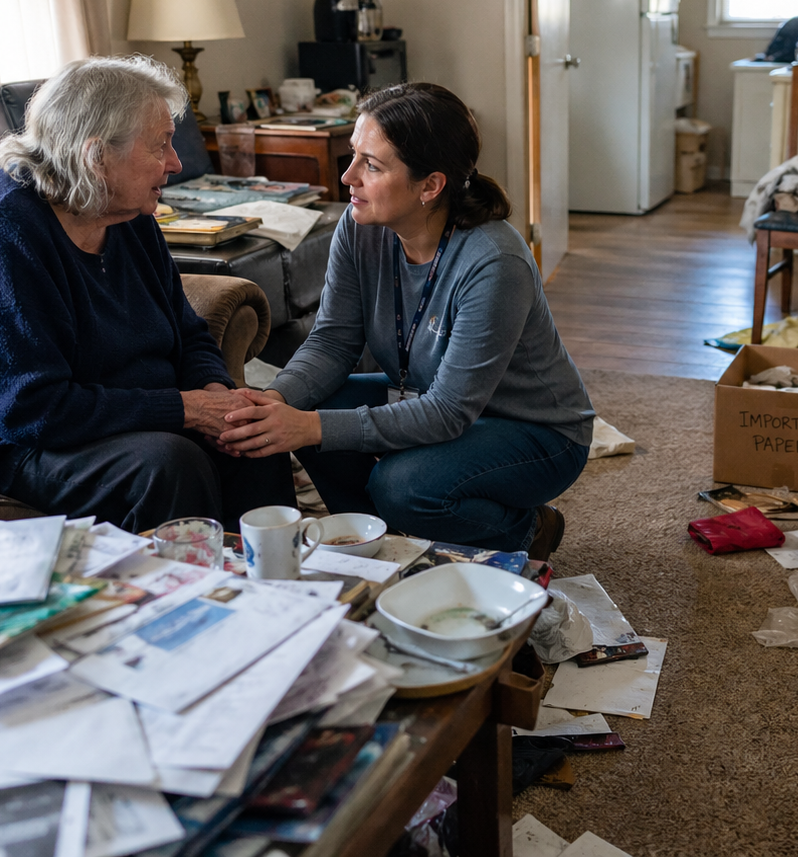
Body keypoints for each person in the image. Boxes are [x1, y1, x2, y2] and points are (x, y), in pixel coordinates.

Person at [0, 56, 289, 531]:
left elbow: (187, 332)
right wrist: (187, 410)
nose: (175, 163)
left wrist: (218, 397)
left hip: (91, 415)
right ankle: (188, 579)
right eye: (160, 146)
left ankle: (277, 576)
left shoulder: (126, 214)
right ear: (97, 157)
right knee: (167, 463)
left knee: (258, 435)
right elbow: (27, 409)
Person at [216, 82, 594, 558]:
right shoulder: (359, 227)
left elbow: (449, 411)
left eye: (371, 165)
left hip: (536, 431)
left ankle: (526, 530)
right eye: (353, 156)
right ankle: (382, 539)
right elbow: (332, 342)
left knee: (401, 485)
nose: (348, 177)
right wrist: (274, 402)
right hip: (429, 395)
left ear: (430, 186)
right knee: (312, 403)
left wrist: (308, 426)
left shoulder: (495, 261)